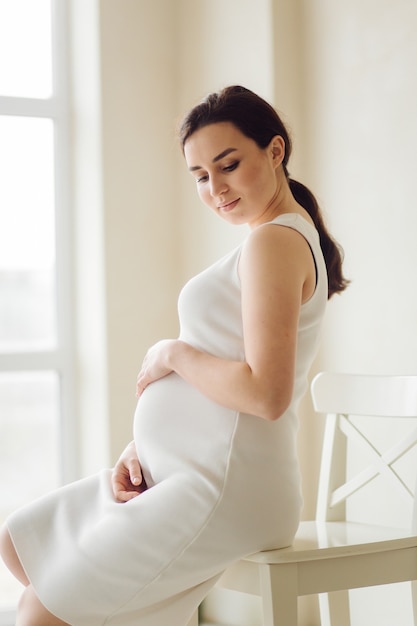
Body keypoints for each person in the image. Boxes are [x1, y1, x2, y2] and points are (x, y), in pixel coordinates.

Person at [0, 85, 348, 626]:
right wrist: (142, 449)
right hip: (187, 470)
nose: (216, 188)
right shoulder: (267, 239)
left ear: (275, 151)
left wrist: (172, 353)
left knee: (42, 610)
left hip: (225, 486)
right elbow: (227, 372)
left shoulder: (274, 243)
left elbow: (266, 393)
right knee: (21, 547)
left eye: (228, 165)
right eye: (201, 176)